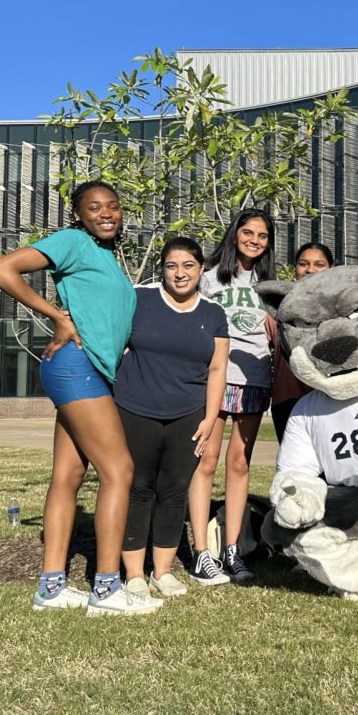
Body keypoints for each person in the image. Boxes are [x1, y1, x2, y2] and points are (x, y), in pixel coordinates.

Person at [0, 180, 159, 614]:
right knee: (119, 470)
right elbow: (0, 269)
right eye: (94, 207)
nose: (106, 213)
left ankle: (51, 587)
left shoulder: (106, 256)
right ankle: (106, 588)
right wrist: (57, 317)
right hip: (76, 366)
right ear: (77, 215)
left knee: (68, 475)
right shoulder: (72, 241)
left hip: (89, 368)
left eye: (113, 207)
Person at [114, 238, 229, 597]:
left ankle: (162, 572)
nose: (180, 274)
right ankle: (134, 573)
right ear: (162, 269)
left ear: (201, 269)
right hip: (135, 409)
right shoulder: (139, 298)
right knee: (138, 488)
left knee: (175, 490)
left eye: (188, 266)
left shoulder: (213, 313)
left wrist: (211, 419)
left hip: (189, 415)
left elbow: (218, 368)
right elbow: (110, 338)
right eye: (172, 266)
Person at [188, 208, 276, 584]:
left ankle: (233, 549)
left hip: (256, 378)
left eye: (262, 235)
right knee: (205, 461)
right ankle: (201, 553)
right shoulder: (208, 278)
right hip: (215, 379)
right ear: (235, 233)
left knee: (239, 464)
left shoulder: (270, 283)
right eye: (249, 233)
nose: (255, 240)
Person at [269, 242, 333, 444]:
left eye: (319, 264)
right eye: (303, 263)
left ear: (330, 268)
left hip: (327, 397)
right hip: (287, 399)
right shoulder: (278, 304)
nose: (310, 269)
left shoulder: (339, 306)